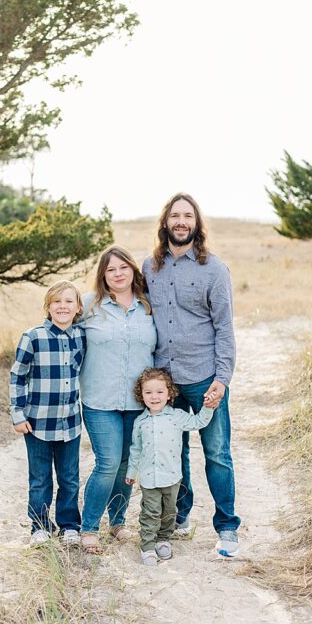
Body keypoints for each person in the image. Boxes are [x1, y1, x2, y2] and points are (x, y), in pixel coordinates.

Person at [142, 192, 239, 557]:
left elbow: (224, 329)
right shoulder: (149, 267)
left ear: (196, 224)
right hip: (165, 382)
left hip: (204, 378)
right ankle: (180, 516)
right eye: (175, 215)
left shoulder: (214, 269)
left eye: (188, 216)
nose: (181, 222)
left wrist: (222, 378)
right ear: (165, 222)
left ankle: (227, 528)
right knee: (173, 452)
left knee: (216, 453)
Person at [78, 246, 157, 554]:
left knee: (127, 465)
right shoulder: (88, 305)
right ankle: (88, 527)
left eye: (123, 267)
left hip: (138, 402)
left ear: (133, 271)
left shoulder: (148, 306)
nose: (118, 274)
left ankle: (118, 522)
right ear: (103, 275)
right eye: (111, 270)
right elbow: (61, 329)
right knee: (108, 462)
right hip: (100, 399)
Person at [9, 280, 86, 548]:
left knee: (69, 478)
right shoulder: (33, 337)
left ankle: (69, 525)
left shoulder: (81, 336)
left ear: (78, 307)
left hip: (70, 422)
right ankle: (39, 526)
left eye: (69, 301)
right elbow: (17, 376)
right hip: (37, 423)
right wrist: (17, 414)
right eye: (57, 302)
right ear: (48, 306)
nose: (63, 307)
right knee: (40, 478)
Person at [125, 367, 213, 566]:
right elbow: (135, 449)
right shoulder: (140, 422)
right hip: (148, 478)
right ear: (141, 395)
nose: (154, 397)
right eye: (148, 392)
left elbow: (199, 421)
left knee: (169, 512)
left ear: (169, 393)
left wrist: (208, 406)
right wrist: (132, 472)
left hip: (172, 476)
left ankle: (163, 539)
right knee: (150, 512)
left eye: (159, 392)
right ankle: (147, 545)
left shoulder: (177, 416)